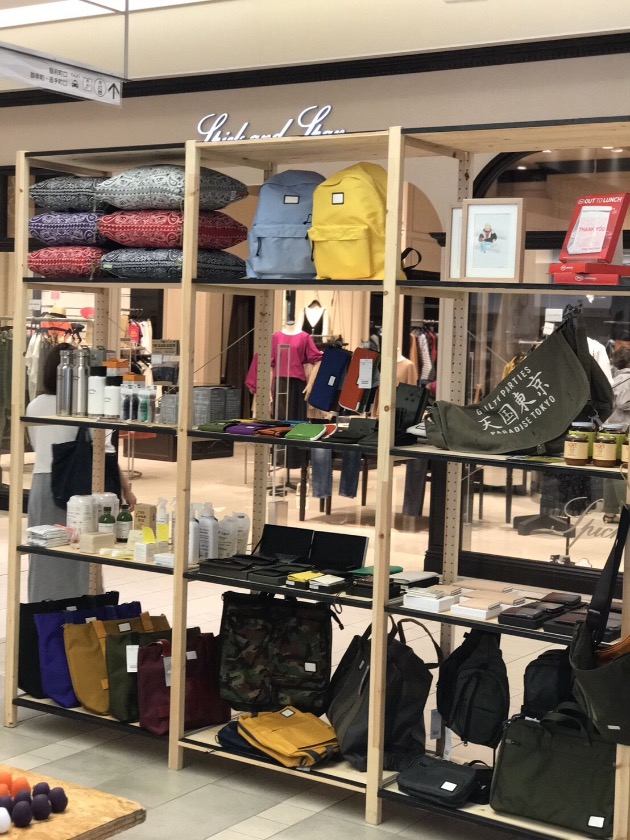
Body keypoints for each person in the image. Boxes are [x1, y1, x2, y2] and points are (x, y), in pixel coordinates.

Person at [26, 343, 137, 601]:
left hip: (42, 484)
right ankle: (83, 614)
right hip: (80, 487)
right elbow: (103, 453)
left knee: (44, 553)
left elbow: (37, 445)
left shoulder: (34, 405)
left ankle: (42, 612)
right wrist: (126, 489)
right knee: (84, 554)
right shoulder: (83, 406)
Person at [602, 346, 630, 523]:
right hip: (624, 429)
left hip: (609, 427)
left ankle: (610, 512)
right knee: (623, 470)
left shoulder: (611, 377)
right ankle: (625, 509)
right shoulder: (627, 378)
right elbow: (623, 402)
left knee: (610, 469)